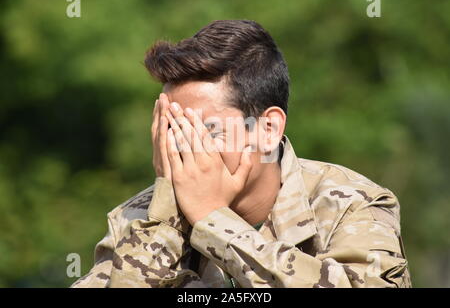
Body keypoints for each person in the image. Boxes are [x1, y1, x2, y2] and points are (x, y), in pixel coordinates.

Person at [71, 19, 412, 288]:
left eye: (206, 130)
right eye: (171, 130)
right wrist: (163, 224)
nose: (182, 149)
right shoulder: (137, 219)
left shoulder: (350, 204)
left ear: (268, 130)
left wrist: (214, 220)